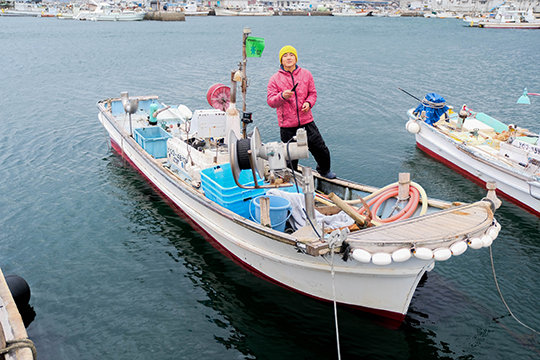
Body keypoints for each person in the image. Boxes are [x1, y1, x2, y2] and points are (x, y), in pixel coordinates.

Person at [267, 45, 336, 179]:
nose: (288, 58)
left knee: (321, 149)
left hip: (306, 121)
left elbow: (313, 93)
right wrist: (282, 96)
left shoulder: (306, 74)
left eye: (291, 55)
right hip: (287, 125)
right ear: (281, 60)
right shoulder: (274, 79)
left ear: (296, 58)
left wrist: (308, 103)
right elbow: (271, 101)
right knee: (290, 157)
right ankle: (291, 178)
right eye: (285, 55)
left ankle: (324, 171)